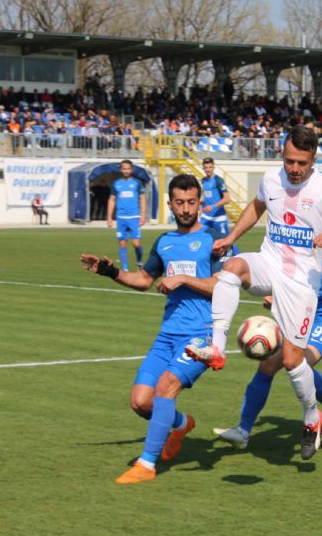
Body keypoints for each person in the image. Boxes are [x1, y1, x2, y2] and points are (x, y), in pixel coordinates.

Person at [186, 125, 322, 461]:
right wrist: (230, 237)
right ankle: (216, 347)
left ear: (313, 159)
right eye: (288, 161)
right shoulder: (271, 180)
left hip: (300, 282)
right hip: (269, 262)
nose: (293, 168)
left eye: (300, 162)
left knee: (290, 362)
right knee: (232, 268)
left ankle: (312, 417)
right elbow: (256, 207)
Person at [80, 174, 226, 484]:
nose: (185, 209)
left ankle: (146, 465)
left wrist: (184, 280)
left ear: (200, 203)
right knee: (141, 401)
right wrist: (111, 272)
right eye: (179, 203)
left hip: (201, 334)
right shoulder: (165, 242)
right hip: (167, 334)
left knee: (165, 389)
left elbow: (224, 287)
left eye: (191, 202)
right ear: (171, 204)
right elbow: (145, 280)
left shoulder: (216, 240)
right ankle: (182, 423)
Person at [214, 241, 322, 450]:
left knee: (298, 362)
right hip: (298, 314)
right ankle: (243, 431)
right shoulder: (286, 237)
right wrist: (275, 297)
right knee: (267, 367)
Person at [106, 159, 147, 271]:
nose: (126, 170)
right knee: (122, 243)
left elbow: (142, 199)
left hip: (134, 217)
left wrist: (143, 216)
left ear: (131, 169)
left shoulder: (137, 183)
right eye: (124, 168)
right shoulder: (116, 184)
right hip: (121, 218)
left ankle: (139, 262)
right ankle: (125, 269)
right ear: (121, 169)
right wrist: (109, 217)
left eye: (128, 168)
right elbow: (112, 199)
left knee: (136, 244)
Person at [199, 157, 231, 237]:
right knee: (201, 238)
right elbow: (203, 197)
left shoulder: (218, 180)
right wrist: (200, 208)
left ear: (213, 167)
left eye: (210, 167)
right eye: (206, 167)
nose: (208, 169)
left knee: (225, 242)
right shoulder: (203, 181)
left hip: (219, 218)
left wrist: (212, 206)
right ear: (203, 168)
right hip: (206, 217)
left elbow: (227, 199)